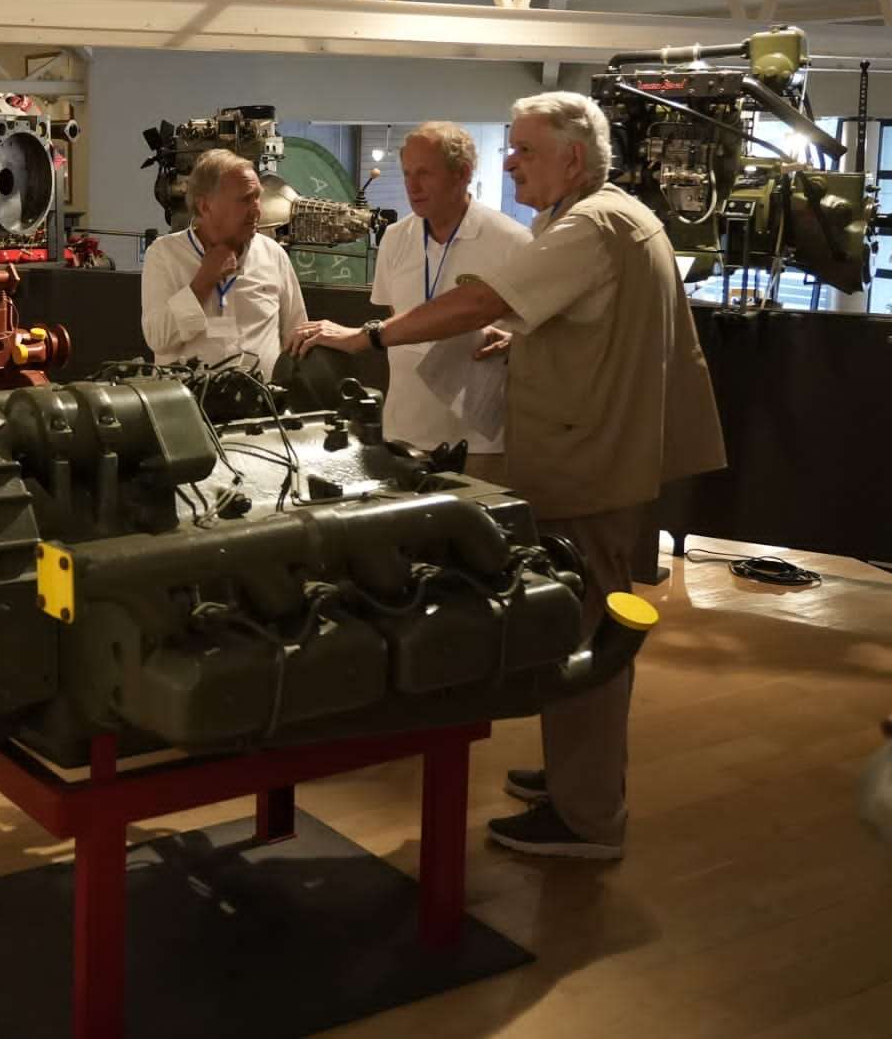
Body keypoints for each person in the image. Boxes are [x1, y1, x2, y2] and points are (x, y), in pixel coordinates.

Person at [287, 91, 724, 860]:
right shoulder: (617, 218)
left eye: (524, 148)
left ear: (573, 159)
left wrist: (369, 337)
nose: (512, 161)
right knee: (576, 627)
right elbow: (584, 321)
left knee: (587, 633)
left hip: (587, 466)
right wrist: (519, 335)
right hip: (598, 458)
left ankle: (588, 817)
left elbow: (482, 297)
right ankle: (574, 778)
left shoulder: (591, 225)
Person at [369, 122, 531, 482]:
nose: (412, 186)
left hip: (481, 441)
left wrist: (515, 342)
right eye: (407, 173)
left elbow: (538, 332)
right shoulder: (394, 239)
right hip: (404, 434)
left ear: (463, 173)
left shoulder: (513, 241)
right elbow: (397, 322)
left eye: (424, 173)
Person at [140, 148, 306, 380]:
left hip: (263, 399)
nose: (257, 209)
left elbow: (296, 337)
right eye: (245, 199)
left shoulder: (273, 254)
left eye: (257, 197)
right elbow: (158, 338)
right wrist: (203, 282)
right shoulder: (164, 254)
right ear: (205, 206)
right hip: (189, 401)